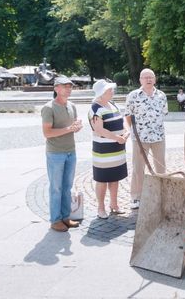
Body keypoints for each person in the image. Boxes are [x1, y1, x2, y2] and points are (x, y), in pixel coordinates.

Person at [41, 76, 83, 232]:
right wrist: (69, 129)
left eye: (70, 86)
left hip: (71, 151)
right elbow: (47, 133)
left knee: (67, 187)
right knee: (56, 188)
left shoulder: (72, 106)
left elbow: (73, 126)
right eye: (65, 86)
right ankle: (55, 220)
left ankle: (65, 217)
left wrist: (77, 126)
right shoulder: (49, 108)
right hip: (55, 153)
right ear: (56, 88)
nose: (68, 89)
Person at [124, 68, 168, 210]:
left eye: (151, 77)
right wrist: (134, 131)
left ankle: (161, 194)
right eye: (145, 77)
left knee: (160, 167)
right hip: (140, 138)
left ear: (155, 79)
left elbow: (163, 114)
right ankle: (136, 197)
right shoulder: (133, 96)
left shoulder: (161, 95)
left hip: (158, 137)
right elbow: (128, 116)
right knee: (138, 168)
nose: (148, 79)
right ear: (140, 80)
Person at [89, 79, 129, 219]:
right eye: (109, 90)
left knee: (115, 178)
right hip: (104, 151)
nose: (112, 92)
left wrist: (126, 132)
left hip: (117, 149)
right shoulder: (95, 109)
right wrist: (117, 138)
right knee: (102, 179)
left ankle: (114, 204)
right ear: (101, 93)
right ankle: (101, 208)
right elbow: (99, 130)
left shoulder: (112, 104)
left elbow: (122, 121)